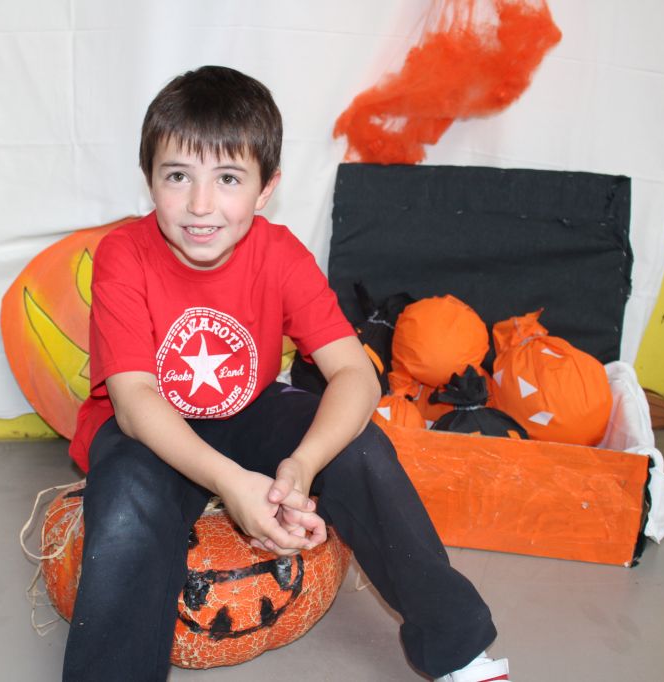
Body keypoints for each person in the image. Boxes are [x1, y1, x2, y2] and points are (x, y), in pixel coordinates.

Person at [62, 65, 507, 682]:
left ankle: (458, 650)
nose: (200, 205)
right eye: (177, 176)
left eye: (227, 178)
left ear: (266, 187)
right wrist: (233, 484)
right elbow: (135, 400)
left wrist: (301, 464)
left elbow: (355, 374)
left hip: (249, 409)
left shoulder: (279, 253)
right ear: (149, 179)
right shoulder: (123, 254)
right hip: (153, 425)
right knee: (126, 504)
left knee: (362, 449)